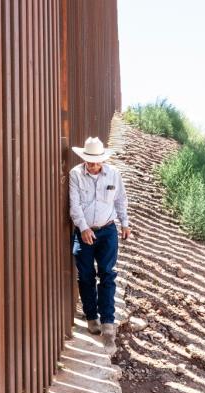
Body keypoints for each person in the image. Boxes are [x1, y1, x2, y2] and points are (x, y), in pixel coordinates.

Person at [69, 136, 131, 356]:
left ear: (103, 160)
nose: (94, 166)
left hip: (107, 231)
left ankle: (107, 323)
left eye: (97, 162)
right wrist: (84, 229)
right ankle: (91, 316)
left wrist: (125, 223)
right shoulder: (75, 175)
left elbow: (120, 200)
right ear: (84, 160)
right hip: (84, 231)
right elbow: (74, 205)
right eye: (90, 162)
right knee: (85, 275)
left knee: (107, 274)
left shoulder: (114, 174)